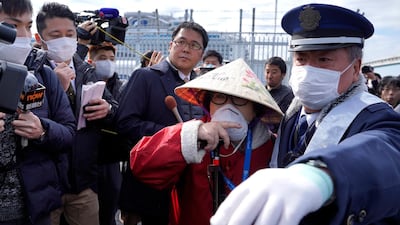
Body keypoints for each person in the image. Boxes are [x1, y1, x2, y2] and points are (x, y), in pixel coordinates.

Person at [211, 3, 400, 225]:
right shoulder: (292, 113)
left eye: (323, 60)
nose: (308, 70)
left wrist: (322, 175)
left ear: (356, 67)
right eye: (301, 59)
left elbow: (386, 149)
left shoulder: (374, 115)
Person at [129, 58, 283, 225]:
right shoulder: (192, 137)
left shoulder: (271, 149)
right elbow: (141, 166)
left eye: (240, 99)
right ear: (208, 104)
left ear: (255, 109)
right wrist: (191, 136)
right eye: (219, 97)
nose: (228, 107)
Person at [116, 21, 208, 225]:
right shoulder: (146, 77)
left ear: (201, 54)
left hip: (189, 185)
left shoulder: (203, 87)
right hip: (149, 184)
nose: (186, 48)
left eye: (194, 45)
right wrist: (176, 136)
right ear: (170, 45)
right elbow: (125, 123)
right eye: (181, 42)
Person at [36, 2, 118, 225]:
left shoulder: (87, 70)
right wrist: (56, 88)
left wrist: (107, 109)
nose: (64, 40)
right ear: (39, 39)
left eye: (69, 34)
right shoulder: (31, 73)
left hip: (84, 183)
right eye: (56, 34)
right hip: (45, 184)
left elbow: (114, 108)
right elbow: (28, 121)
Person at [0, 0, 75, 224]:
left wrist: (43, 130)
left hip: (35, 208)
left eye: (27, 26)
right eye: (11, 26)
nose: (23, 35)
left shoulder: (43, 73)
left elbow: (69, 133)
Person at [87, 42, 123, 225]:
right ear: (90, 61)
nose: (108, 63)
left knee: (110, 207)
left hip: (111, 158)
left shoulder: (121, 87)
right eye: (102, 58)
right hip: (87, 158)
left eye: (111, 59)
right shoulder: (84, 82)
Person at [264, 56, 294, 133]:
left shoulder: (288, 95)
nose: (270, 76)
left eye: (274, 72)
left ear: (283, 75)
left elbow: (283, 119)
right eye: (267, 72)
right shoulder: (259, 92)